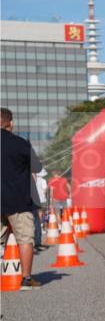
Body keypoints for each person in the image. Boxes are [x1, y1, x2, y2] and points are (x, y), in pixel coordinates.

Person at [1, 108, 44, 289]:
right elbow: (37, 168)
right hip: (18, 200)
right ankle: (26, 278)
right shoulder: (21, 144)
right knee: (25, 239)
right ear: (11, 124)